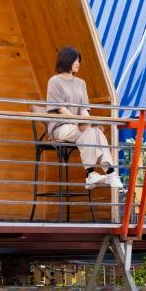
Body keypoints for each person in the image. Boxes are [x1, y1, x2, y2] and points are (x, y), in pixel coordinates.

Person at [46, 46, 123, 189]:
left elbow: (83, 110)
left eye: (79, 61)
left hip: (79, 126)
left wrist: (90, 122)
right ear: (67, 60)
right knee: (88, 131)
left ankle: (98, 173)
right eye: (76, 60)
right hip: (60, 127)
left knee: (95, 131)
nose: (78, 63)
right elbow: (61, 109)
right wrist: (80, 122)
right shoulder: (54, 81)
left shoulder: (81, 83)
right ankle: (101, 173)